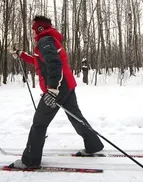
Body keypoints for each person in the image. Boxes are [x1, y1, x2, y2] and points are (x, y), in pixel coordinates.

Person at [9, 16, 104, 169]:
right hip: (67, 85)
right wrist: (21, 54)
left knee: (39, 123)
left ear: (40, 28)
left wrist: (52, 90)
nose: (33, 31)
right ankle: (93, 145)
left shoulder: (45, 41)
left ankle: (30, 161)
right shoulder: (49, 40)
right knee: (76, 117)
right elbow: (38, 61)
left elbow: (54, 64)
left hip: (58, 88)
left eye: (34, 28)